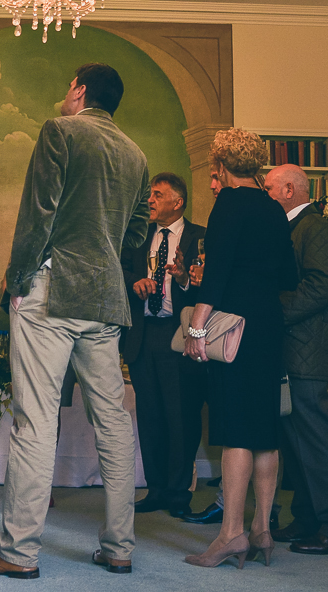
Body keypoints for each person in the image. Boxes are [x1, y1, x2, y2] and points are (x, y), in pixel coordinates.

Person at [0, 64, 152, 579]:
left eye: (68, 86)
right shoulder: (136, 155)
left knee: (36, 420)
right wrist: (106, 255)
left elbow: (38, 213)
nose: (64, 94)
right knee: (113, 423)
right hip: (106, 299)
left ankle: (18, 553)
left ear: (80, 91)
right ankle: (119, 548)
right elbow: (137, 233)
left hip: (52, 289)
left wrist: (17, 277)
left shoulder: (60, 132)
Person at [180, 128, 299, 569]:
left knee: (234, 430)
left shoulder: (228, 204)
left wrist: (196, 327)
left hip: (235, 328)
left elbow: (218, 273)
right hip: (269, 324)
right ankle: (262, 530)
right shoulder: (273, 209)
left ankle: (231, 534)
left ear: (222, 165)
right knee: (265, 428)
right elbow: (290, 276)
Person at [264, 164, 328, 555]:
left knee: (317, 440)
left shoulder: (315, 227)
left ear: (289, 189)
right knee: (296, 441)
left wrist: (271, 309)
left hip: (308, 350)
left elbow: (321, 286)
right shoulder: (293, 228)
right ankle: (307, 518)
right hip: (293, 350)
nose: (265, 192)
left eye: (269, 187)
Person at [120, 172, 205, 518]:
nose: (150, 201)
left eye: (157, 195)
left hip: (181, 334)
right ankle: (155, 489)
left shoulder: (201, 237)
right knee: (151, 417)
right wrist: (135, 281)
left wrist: (184, 279)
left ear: (178, 201)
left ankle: (178, 493)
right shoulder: (139, 236)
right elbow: (119, 271)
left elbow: (210, 287)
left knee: (181, 416)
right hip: (143, 335)